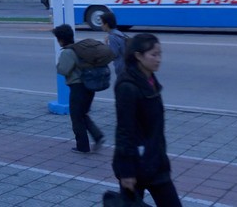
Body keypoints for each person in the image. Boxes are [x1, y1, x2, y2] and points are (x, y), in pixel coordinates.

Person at [113, 34, 182, 207]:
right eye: (153, 54)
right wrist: (127, 171)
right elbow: (124, 130)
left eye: (160, 54)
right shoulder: (127, 86)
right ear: (138, 56)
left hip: (155, 161)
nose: (159, 59)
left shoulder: (150, 80)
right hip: (135, 164)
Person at [52, 24, 104, 154]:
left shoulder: (67, 52)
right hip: (89, 86)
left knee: (76, 118)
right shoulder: (79, 49)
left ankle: (82, 146)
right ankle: (97, 136)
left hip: (78, 88)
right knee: (83, 114)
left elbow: (63, 70)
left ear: (60, 39)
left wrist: (58, 64)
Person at [101, 12, 129, 78]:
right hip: (127, 65)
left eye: (102, 23)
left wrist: (106, 44)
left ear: (106, 24)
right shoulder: (119, 33)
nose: (101, 26)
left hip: (121, 67)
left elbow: (113, 54)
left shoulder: (112, 36)